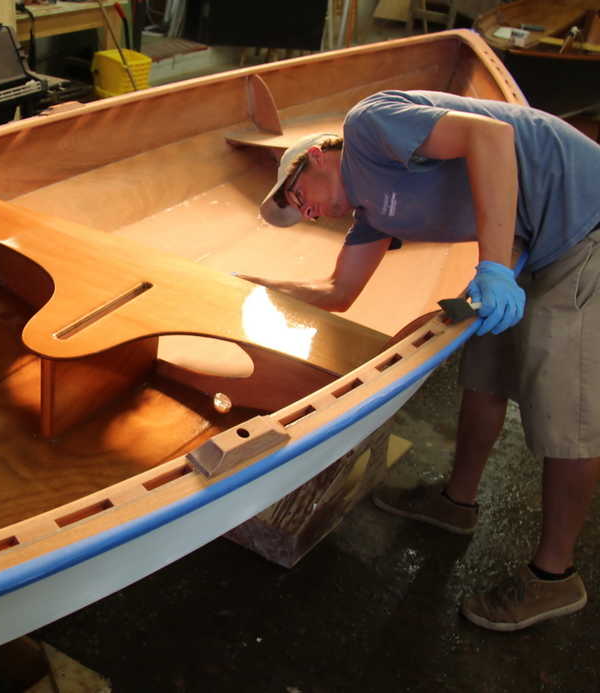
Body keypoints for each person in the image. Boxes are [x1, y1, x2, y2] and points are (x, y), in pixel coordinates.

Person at [239, 89, 600, 631]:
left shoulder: (368, 125)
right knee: (484, 374)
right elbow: (337, 291)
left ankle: (555, 577)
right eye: (301, 215)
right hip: (532, 237)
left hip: (584, 223)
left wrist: (494, 268)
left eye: (298, 197)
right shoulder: (371, 218)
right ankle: (457, 503)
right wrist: (246, 285)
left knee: (564, 413)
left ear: (313, 157)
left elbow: (491, 135)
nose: (309, 212)